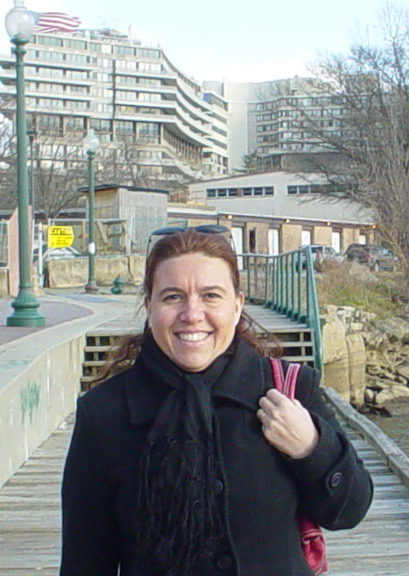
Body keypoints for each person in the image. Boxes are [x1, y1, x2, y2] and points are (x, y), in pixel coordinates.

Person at [60, 227, 374, 575]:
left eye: (211, 295)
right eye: (172, 297)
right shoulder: (105, 412)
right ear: (149, 305)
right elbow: (84, 561)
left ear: (237, 305)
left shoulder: (288, 390)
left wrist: (312, 448)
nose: (192, 314)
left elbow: (349, 511)